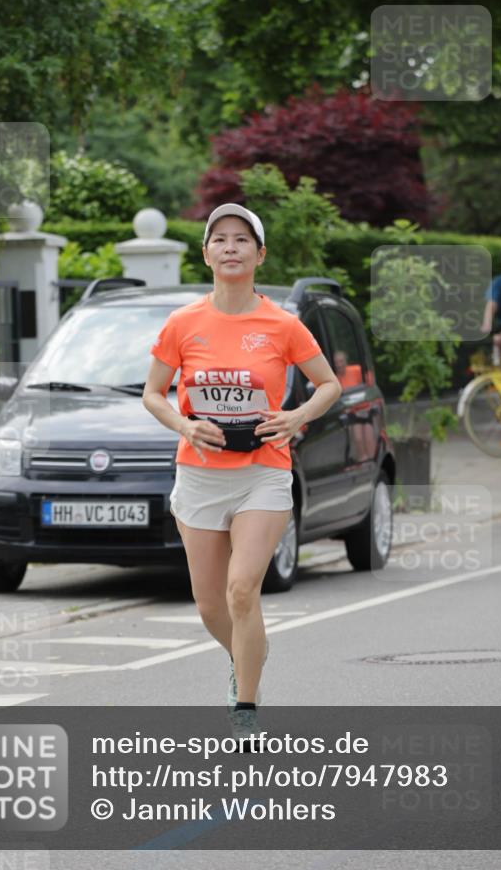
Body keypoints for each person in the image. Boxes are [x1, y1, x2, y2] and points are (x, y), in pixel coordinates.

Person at [142, 203, 342, 745]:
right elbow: (152, 395)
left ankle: (246, 706)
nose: (230, 247)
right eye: (220, 239)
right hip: (201, 474)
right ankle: (245, 653)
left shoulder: (282, 324)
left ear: (259, 254)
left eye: (241, 239)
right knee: (209, 603)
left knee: (240, 591)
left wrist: (296, 417)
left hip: (263, 473)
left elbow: (329, 385)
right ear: (206, 253)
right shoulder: (183, 323)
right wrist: (186, 424)